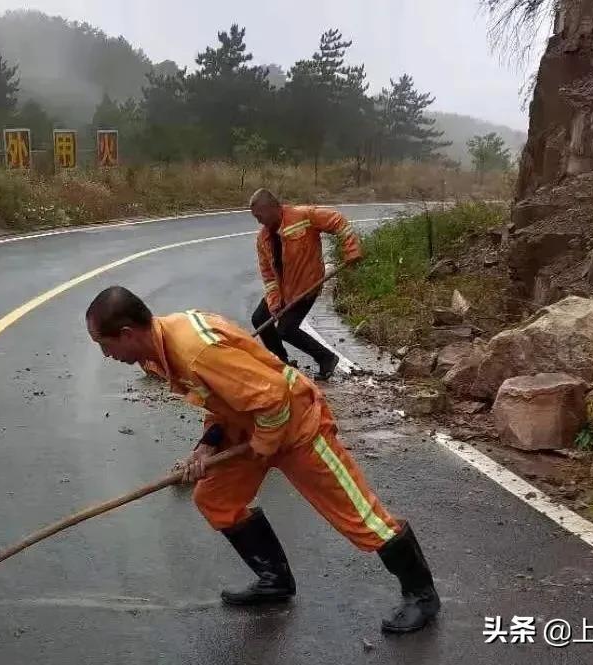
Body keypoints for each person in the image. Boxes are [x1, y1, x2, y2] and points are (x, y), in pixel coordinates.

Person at [85, 286, 440, 634]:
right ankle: (275, 580)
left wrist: (264, 446)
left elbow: (274, 399)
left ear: (127, 333)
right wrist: (206, 447)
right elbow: (220, 399)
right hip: (249, 426)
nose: (105, 354)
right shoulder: (162, 352)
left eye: (104, 344)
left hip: (296, 423)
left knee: (359, 517)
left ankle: (421, 595)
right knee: (216, 499)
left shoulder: (196, 350)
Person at [249, 188, 362, 380]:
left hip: (306, 286)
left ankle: (326, 358)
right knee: (260, 318)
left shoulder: (303, 216)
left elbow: (338, 221)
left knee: (286, 329)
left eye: (259, 216)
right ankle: (281, 361)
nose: (258, 221)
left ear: (272, 208)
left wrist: (351, 250)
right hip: (283, 289)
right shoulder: (263, 239)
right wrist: (275, 302)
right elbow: (268, 275)